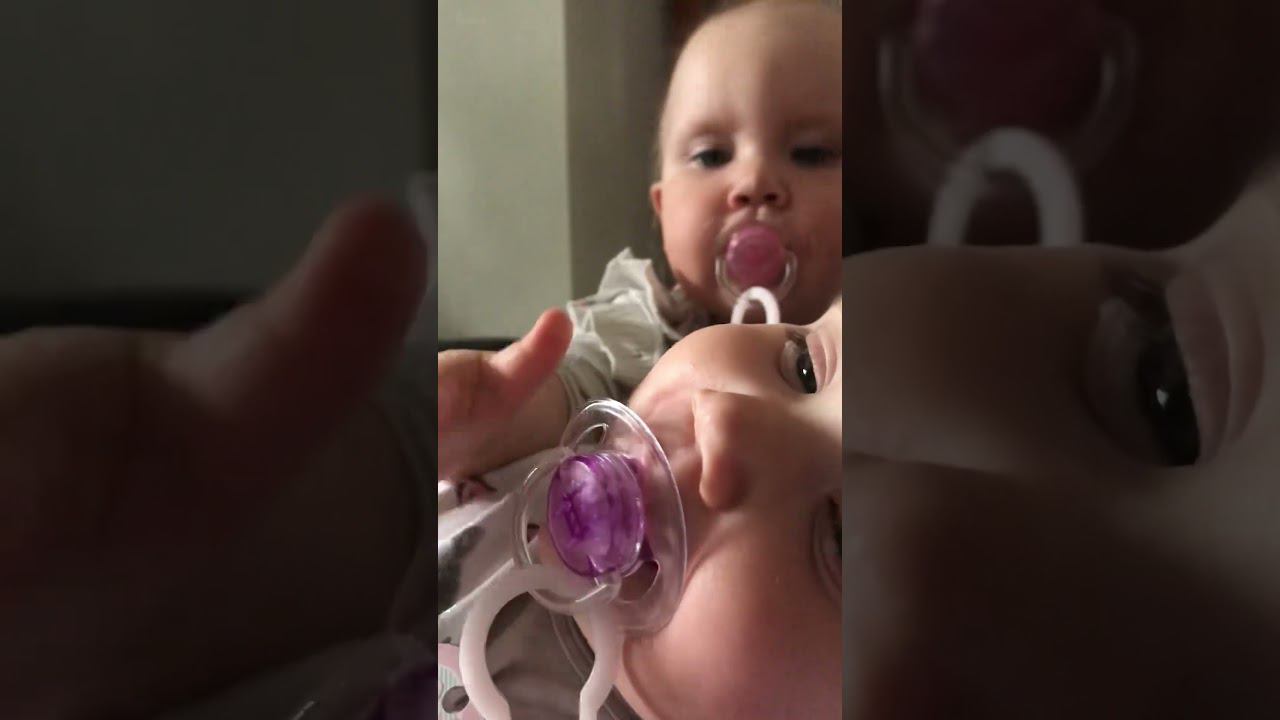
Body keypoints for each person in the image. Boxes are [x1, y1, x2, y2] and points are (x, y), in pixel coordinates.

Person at [438, 0, 843, 481]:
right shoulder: (642, 331)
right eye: (712, 156)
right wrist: (500, 416)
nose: (754, 182)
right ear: (662, 209)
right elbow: (574, 400)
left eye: (811, 153)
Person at [437, 297, 843, 720]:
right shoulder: (526, 468)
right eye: (806, 367)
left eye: (839, 533)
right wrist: (492, 432)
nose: (722, 422)